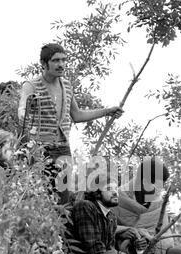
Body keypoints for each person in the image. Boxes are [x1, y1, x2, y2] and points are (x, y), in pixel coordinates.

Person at [18, 43, 123, 202]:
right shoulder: (31, 85)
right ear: (44, 63)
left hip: (62, 149)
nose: (61, 64)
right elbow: (22, 110)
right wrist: (25, 111)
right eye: (56, 60)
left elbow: (77, 115)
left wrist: (107, 111)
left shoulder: (66, 85)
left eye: (63, 60)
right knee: (39, 196)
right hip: (40, 148)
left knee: (63, 200)